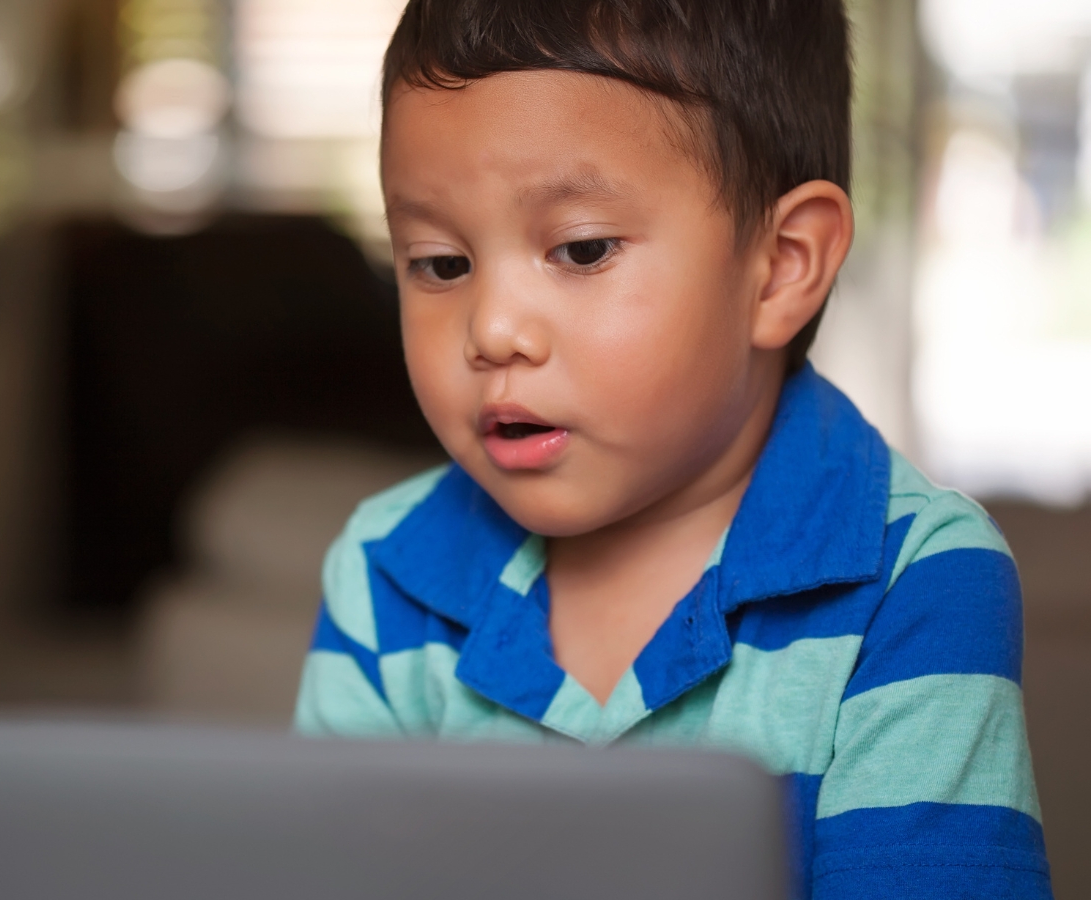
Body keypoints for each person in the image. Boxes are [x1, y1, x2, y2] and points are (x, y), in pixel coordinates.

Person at [291, 0, 1051, 896]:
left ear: (782, 264)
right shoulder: (387, 575)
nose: (490, 330)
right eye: (440, 263)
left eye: (579, 250)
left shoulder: (911, 579)